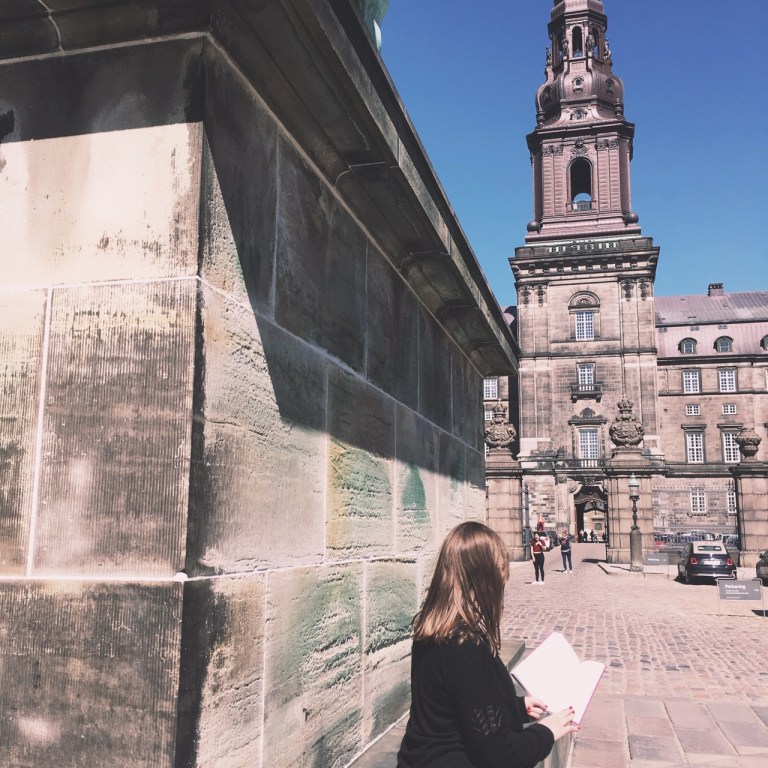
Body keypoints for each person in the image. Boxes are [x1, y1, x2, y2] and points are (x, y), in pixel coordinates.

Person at [396, 522, 578, 768]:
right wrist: (547, 731)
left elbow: (461, 705)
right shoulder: (465, 647)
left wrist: (517, 708)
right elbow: (501, 756)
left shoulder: (432, 629)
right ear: (485, 581)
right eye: (501, 578)